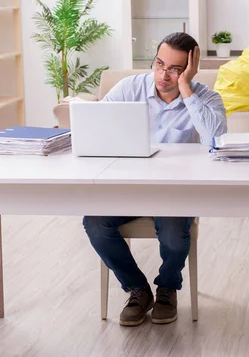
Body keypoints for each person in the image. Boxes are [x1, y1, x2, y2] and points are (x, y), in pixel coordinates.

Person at [82, 32, 227, 326]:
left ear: (189, 68)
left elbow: (216, 138)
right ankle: (137, 288)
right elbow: (95, 128)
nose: (163, 74)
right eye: (160, 64)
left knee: (173, 235)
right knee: (94, 222)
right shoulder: (129, 89)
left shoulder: (206, 98)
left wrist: (186, 88)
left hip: (176, 191)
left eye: (175, 69)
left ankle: (168, 287)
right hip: (129, 188)